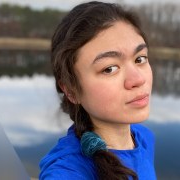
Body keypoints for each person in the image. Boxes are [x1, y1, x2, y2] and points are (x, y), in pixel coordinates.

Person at [39, 1, 156, 179]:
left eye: (140, 59)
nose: (138, 79)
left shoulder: (144, 137)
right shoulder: (67, 172)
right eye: (109, 69)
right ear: (71, 90)